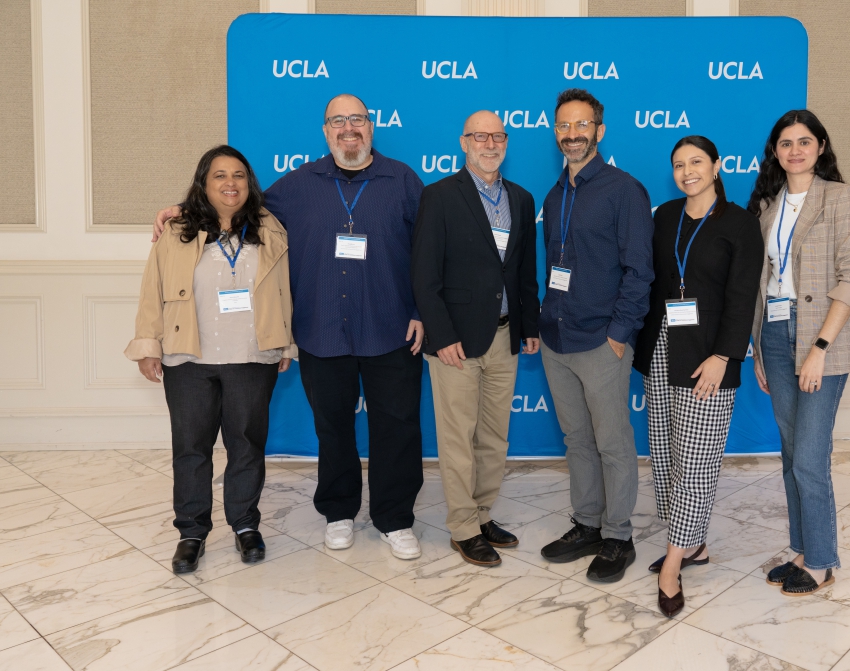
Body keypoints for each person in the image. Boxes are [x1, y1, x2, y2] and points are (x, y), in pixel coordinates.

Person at [151, 94, 426, 561]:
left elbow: (428, 250)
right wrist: (183, 208)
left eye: (356, 120)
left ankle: (395, 519)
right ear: (325, 131)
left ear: (370, 126)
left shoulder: (402, 180)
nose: (348, 129)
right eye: (337, 121)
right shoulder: (298, 184)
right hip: (322, 330)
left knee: (397, 428)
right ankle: (338, 513)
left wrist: (422, 310)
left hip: (390, 327)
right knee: (332, 428)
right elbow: (236, 205)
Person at [127, 145, 295, 573]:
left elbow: (284, 292)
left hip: (251, 355)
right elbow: (152, 291)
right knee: (191, 448)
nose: (230, 183)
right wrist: (148, 345)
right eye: (219, 175)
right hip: (188, 359)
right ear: (204, 182)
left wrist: (284, 342)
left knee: (246, 445)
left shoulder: (270, 229)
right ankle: (191, 532)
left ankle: (244, 525)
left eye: (238, 175)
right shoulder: (176, 231)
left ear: (249, 183)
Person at [633, 136, 764, 616]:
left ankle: (672, 562)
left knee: (698, 461)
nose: (687, 171)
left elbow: (743, 294)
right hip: (662, 347)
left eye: (696, 162)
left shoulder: (740, 224)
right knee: (666, 457)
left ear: (717, 166)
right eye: (679, 164)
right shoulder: (664, 216)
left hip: (709, 358)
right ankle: (694, 545)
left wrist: (725, 356)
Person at [748, 110, 850, 596]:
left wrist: (820, 346)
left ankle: (821, 560)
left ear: (821, 146)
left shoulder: (842, 199)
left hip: (822, 336)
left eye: (804, 141)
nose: (795, 150)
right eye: (785, 143)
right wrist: (758, 347)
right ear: (775, 152)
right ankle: (801, 549)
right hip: (775, 336)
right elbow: (762, 283)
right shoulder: (767, 206)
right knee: (791, 453)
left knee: (810, 457)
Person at [411, 111, 540, 567]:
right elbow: (424, 276)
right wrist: (442, 336)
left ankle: (483, 514)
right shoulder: (441, 196)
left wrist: (529, 328)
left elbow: (523, 271)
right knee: (458, 439)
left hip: (505, 338)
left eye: (497, 136)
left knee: (494, 438)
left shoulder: (521, 200)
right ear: (464, 142)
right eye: (480, 136)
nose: (490, 143)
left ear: (506, 142)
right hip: (456, 345)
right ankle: (463, 527)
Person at [537, 89, 655, 583]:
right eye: (564, 126)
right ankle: (586, 523)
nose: (572, 135)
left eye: (582, 126)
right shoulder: (554, 193)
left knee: (612, 443)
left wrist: (619, 335)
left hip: (601, 343)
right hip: (556, 340)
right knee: (577, 441)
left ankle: (618, 535)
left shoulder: (624, 189)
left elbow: (639, 271)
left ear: (599, 131)